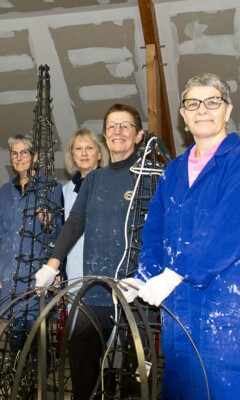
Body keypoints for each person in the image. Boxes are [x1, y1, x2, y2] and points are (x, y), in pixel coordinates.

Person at [121, 73, 240, 399]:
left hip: (226, 310)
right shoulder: (173, 170)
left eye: (212, 101)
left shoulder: (237, 160)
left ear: (227, 111)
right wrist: (144, 276)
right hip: (178, 311)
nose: (202, 109)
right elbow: (155, 229)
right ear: (184, 117)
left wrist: (174, 274)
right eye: (192, 104)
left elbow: (229, 226)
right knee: (179, 387)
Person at [35, 104, 144, 400]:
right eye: (111, 126)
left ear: (138, 135)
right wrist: (52, 264)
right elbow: (75, 222)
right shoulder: (94, 180)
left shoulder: (150, 178)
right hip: (93, 293)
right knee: (83, 371)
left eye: (125, 126)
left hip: (135, 296)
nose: (117, 132)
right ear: (105, 135)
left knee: (131, 379)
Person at [0, 134, 63, 357]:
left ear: (35, 157)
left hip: (36, 273)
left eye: (24, 152)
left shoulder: (51, 188)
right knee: (15, 332)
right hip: (9, 273)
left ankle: (36, 384)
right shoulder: (4, 191)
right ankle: (17, 383)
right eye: (14, 153)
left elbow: (60, 232)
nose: (19, 157)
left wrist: (49, 222)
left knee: (35, 331)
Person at [62, 127, 108, 283]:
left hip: (105, 266)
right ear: (72, 155)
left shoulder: (110, 185)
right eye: (78, 149)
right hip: (74, 268)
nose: (84, 153)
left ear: (100, 154)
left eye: (89, 148)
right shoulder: (65, 191)